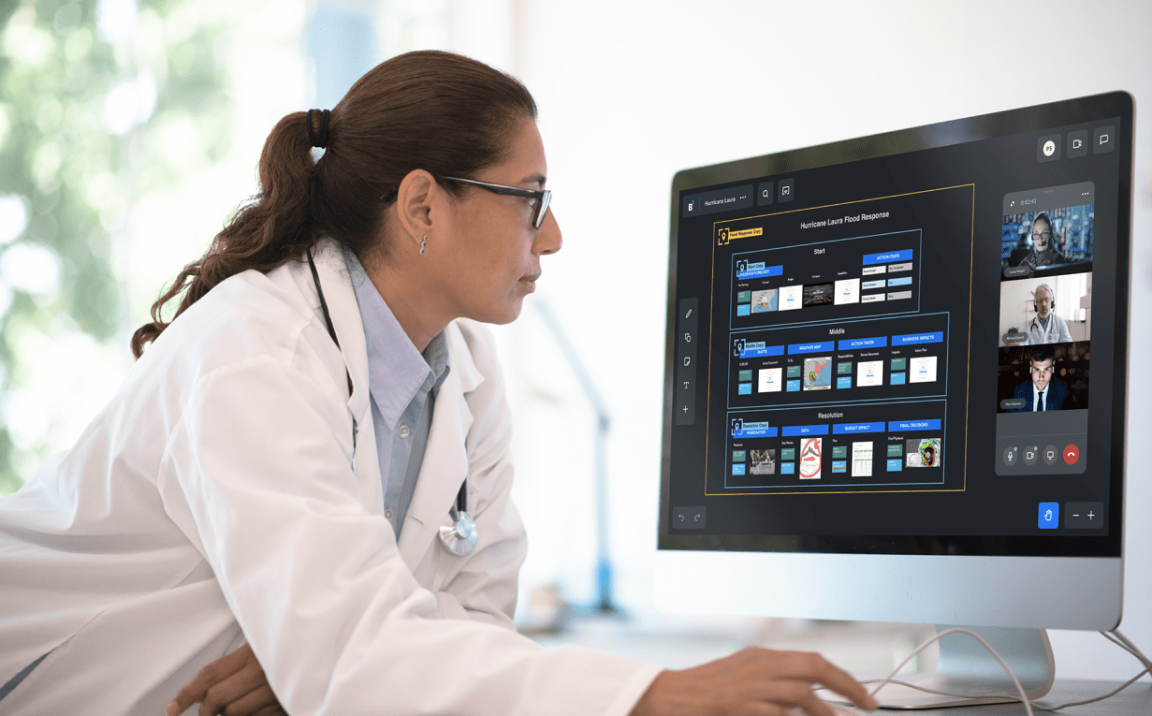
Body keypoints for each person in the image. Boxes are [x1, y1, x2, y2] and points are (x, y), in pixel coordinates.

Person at [0, 51, 876, 716]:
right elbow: (356, 654)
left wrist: (315, 656)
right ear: (422, 206)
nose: (556, 234)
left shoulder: (463, 373)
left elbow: (469, 625)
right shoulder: (254, 349)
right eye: (531, 199)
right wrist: (649, 693)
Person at [1010, 347, 1069, 412]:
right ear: (1031, 366)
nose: (1041, 377)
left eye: (1046, 369)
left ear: (1053, 366)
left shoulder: (1062, 389)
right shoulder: (1019, 391)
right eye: (1037, 369)